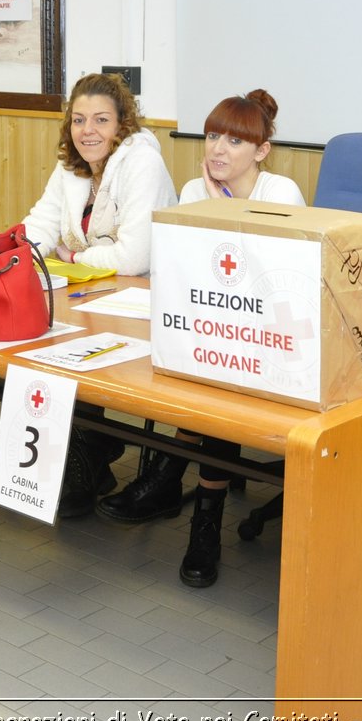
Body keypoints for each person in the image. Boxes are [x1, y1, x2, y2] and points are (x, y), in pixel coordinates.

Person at [97, 89, 304, 588]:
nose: (218, 149)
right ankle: (182, 491)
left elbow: (270, 281)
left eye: (235, 141)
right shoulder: (193, 189)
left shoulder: (282, 194)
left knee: (218, 381)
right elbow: (187, 276)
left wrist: (220, 213)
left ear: (261, 150)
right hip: (211, 327)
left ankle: (194, 510)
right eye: (212, 136)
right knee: (197, 370)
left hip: (270, 335)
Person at [22, 72, 177, 517]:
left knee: (60, 347)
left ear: (123, 124)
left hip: (140, 301)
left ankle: (86, 455)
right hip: (91, 295)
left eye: (101, 120)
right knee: (27, 341)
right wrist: (17, 248)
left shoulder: (141, 162)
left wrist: (71, 257)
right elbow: (42, 223)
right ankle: (88, 453)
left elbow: (132, 257)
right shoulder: (71, 165)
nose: (87, 131)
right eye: (78, 120)